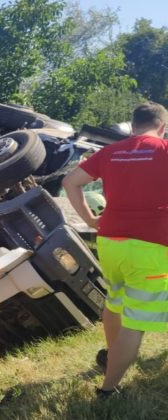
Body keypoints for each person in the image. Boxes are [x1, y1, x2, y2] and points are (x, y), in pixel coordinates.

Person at [62, 102, 168, 398]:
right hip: (150, 245)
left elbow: (70, 182)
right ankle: (108, 390)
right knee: (135, 321)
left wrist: (89, 220)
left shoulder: (110, 151)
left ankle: (112, 354)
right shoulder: (164, 150)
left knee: (115, 297)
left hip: (109, 242)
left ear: (133, 126)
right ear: (162, 126)